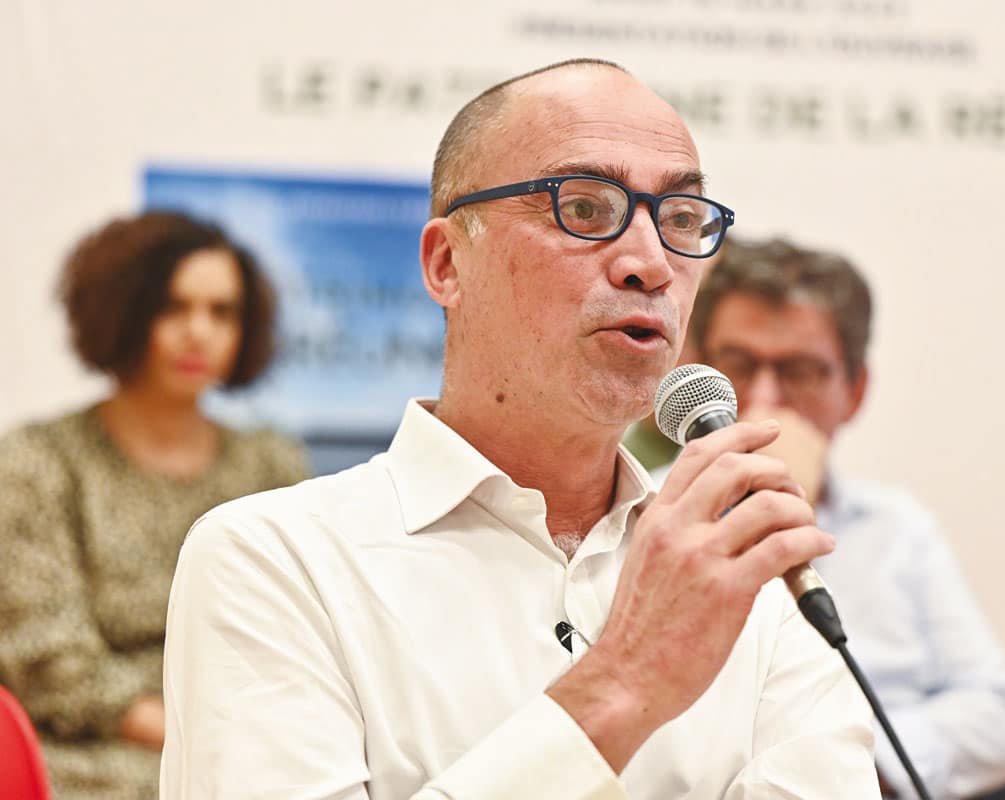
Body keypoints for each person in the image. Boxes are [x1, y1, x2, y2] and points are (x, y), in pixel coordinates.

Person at [159, 59, 881, 799]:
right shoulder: (273, 561)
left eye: (680, 220)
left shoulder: (750, 580)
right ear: (447, 264)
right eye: (585, 208)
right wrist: (627, 679)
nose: (651, 263)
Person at [677, 236, 1005, 800]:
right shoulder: (653, 518)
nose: (765, 400)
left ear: (854, 392)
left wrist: (857, 763)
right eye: (738, 365)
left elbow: (998, 713)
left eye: (800, 371)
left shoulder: (896, 526)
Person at [0, 210, 310, 800]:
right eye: (173, 308)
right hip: (86, 757)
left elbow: (300, 639)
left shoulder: (272, 465)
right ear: (122, 312)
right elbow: (46, 660)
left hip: (248, 742)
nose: (199, 331)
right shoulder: (38, 462)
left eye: (222, 312)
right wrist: (194, 739)